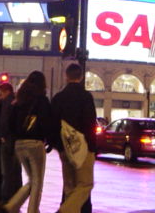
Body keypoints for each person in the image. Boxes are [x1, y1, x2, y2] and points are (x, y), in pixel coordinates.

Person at [0, 71, 52, 213]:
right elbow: (47, 122)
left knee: (32, 180)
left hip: (19, 143)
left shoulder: (19, 100)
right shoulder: (42, 100)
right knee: (37, 182)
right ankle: (31, 210)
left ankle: (12, 205)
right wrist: (50, 140)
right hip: (35, 143)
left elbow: (11, 122)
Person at [50, 63, 97, 213]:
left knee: (69, 185)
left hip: (65, 146)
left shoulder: (58, 98)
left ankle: (69, 209)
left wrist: (57, 145)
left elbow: (53, 123)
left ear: (66, 76)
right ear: (81, 76)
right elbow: (90, 122)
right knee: (85, 184)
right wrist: (92, 146)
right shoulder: (86, 97)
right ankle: (65, 210)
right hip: (82, 147)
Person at [0, 82, 22, 203]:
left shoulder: (8, 103)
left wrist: (3, 135)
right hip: (16, 139)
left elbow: (5, 120)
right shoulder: (17, 101)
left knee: (7, 170)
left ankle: (6, 197)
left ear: (6, 91)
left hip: (8, 139)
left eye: (1, 94)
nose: (0, 97)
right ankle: (17, 194)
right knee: (16, 169)